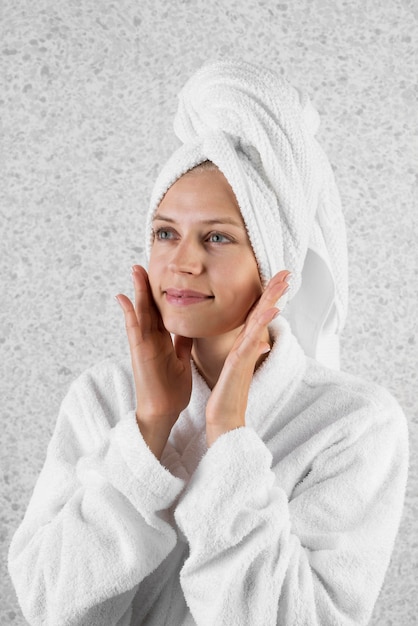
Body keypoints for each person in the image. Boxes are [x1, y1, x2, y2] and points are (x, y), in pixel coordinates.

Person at [8, 60, 408, 626]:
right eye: (165, 232)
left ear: (274, 263)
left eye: (217, 237)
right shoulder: (104, 396)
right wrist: (148, 429)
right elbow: (49, 606)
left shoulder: (353, 424)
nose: (182, 262)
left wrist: (230, 441)